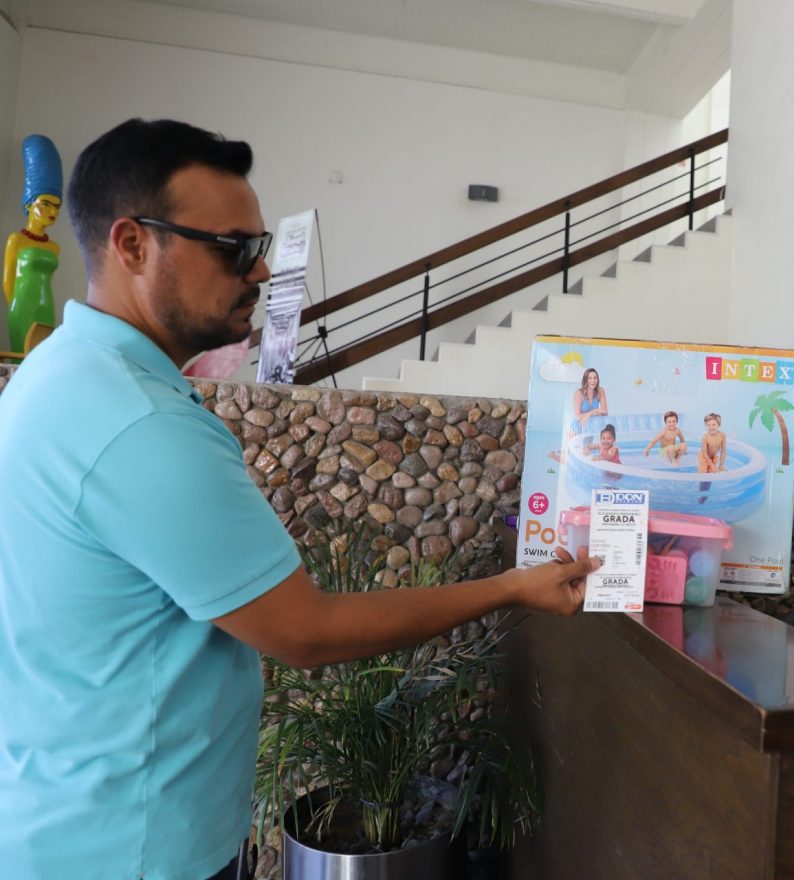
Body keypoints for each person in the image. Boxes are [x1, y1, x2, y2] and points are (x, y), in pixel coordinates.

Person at [0, 119, 600, 880]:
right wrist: (512, 587)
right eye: (233, 248)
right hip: (131, 849)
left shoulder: (56, 371)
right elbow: (305, 633)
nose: (259, 272)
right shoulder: (138, 421)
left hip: (59, 814)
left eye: (260, 247)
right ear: (132, 244)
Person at [4, 134, 63, 351]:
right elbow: (7, 280)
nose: (52, 211)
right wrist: (16, 306)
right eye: (45, 204)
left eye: (57, 206)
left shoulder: (54, 247)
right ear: (29, 205)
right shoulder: (17, 240)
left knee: (42, 353)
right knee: (22, 352)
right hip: (21, 306)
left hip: (46, 306)